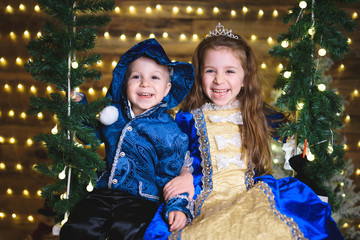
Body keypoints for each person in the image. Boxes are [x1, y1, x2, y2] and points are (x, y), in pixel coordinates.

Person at [144, 23, 343, 240]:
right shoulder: (188, 117)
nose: (219, 80)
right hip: (206, 198)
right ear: (199, 75)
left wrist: (308, 102)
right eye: (210, 71)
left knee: (272, 227)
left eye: (229, 71)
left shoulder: (255, 112)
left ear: (245, 77)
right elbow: (177, 158)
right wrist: (184, 181)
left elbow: (294, 130)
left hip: (250, 194)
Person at [60, 38, 195, 240]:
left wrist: (177, 206)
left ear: (167, 89)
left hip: (142, 199)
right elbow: (89, 136)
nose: (145, 83)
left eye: (155, 78)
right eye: (136, 76)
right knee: (80, 226)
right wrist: (78, 105)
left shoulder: (169, 131)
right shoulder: (113, 115)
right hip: (104, 193)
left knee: (128, 231)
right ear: (125, 83)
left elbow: (172, 174)